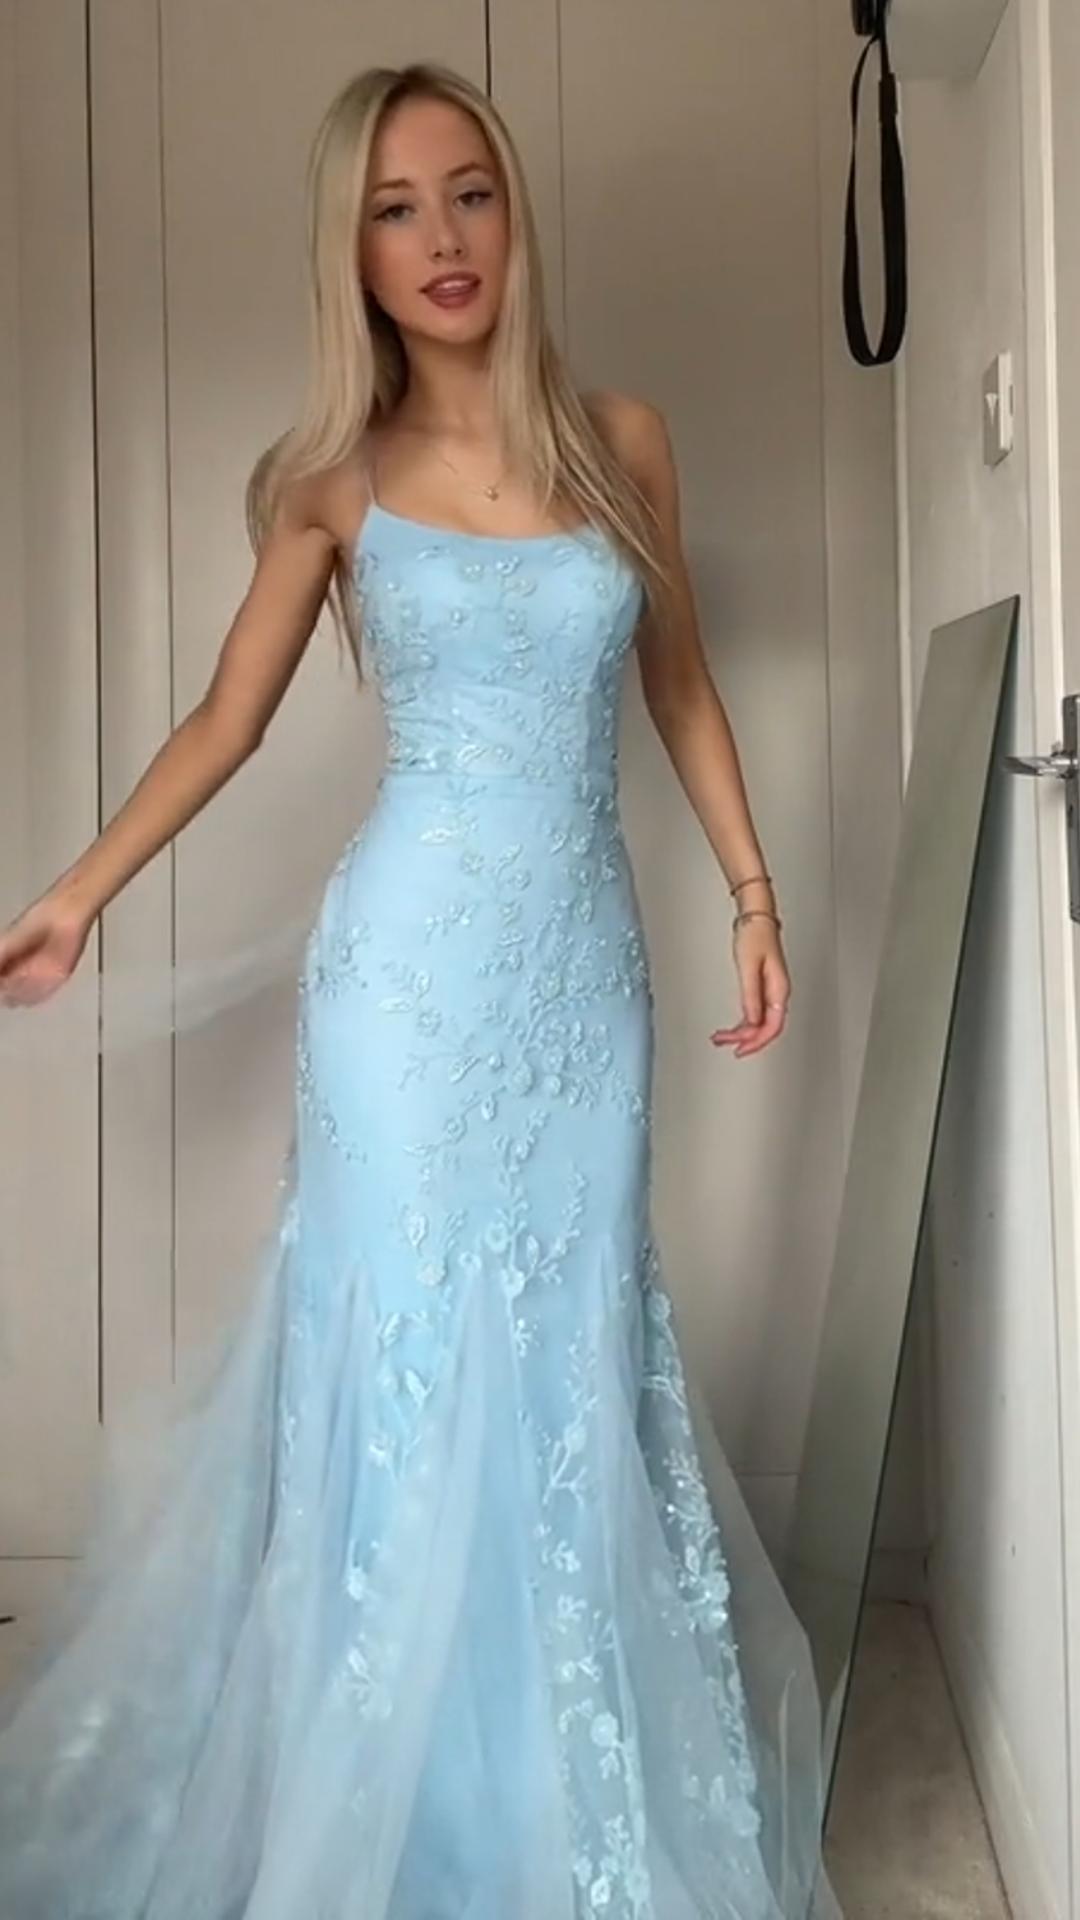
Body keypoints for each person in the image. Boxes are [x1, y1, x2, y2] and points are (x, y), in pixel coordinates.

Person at [0, 59, 840, 1920]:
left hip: (582, 983)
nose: (443, 237)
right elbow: (224, 720)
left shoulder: (626, 439)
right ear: (354, 253)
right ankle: (387, 1810)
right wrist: (73, 896)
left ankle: (552, 1796)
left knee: (566, 1353)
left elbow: (681, 684)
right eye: (395, 209)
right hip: (401, 990)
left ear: (513, 209)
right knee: (402, 1357)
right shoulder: (330, 482)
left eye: (469, 192)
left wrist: (752, 893)